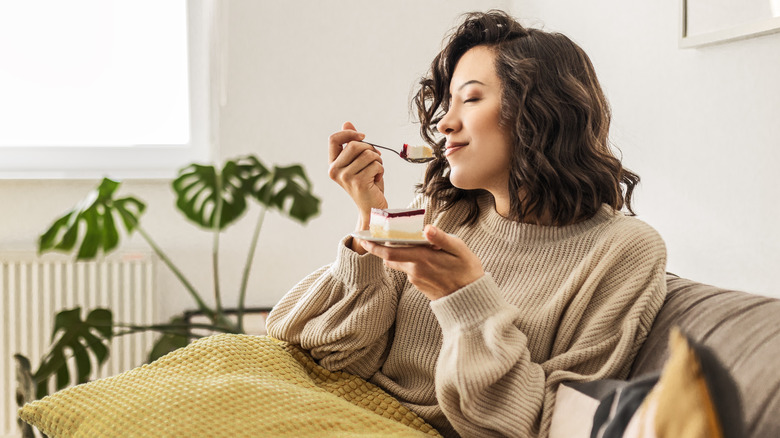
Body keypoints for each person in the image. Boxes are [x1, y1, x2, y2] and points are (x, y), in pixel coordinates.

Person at [267, 10, 667, 438]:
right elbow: (335, 353)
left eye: (471, 98)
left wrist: (464, 298)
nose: (443, 123)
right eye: (448, 101)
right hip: (341, 405)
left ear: (540, 112)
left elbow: (561, 425)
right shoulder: (445, 210)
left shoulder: (624, 250)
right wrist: (371, 217)